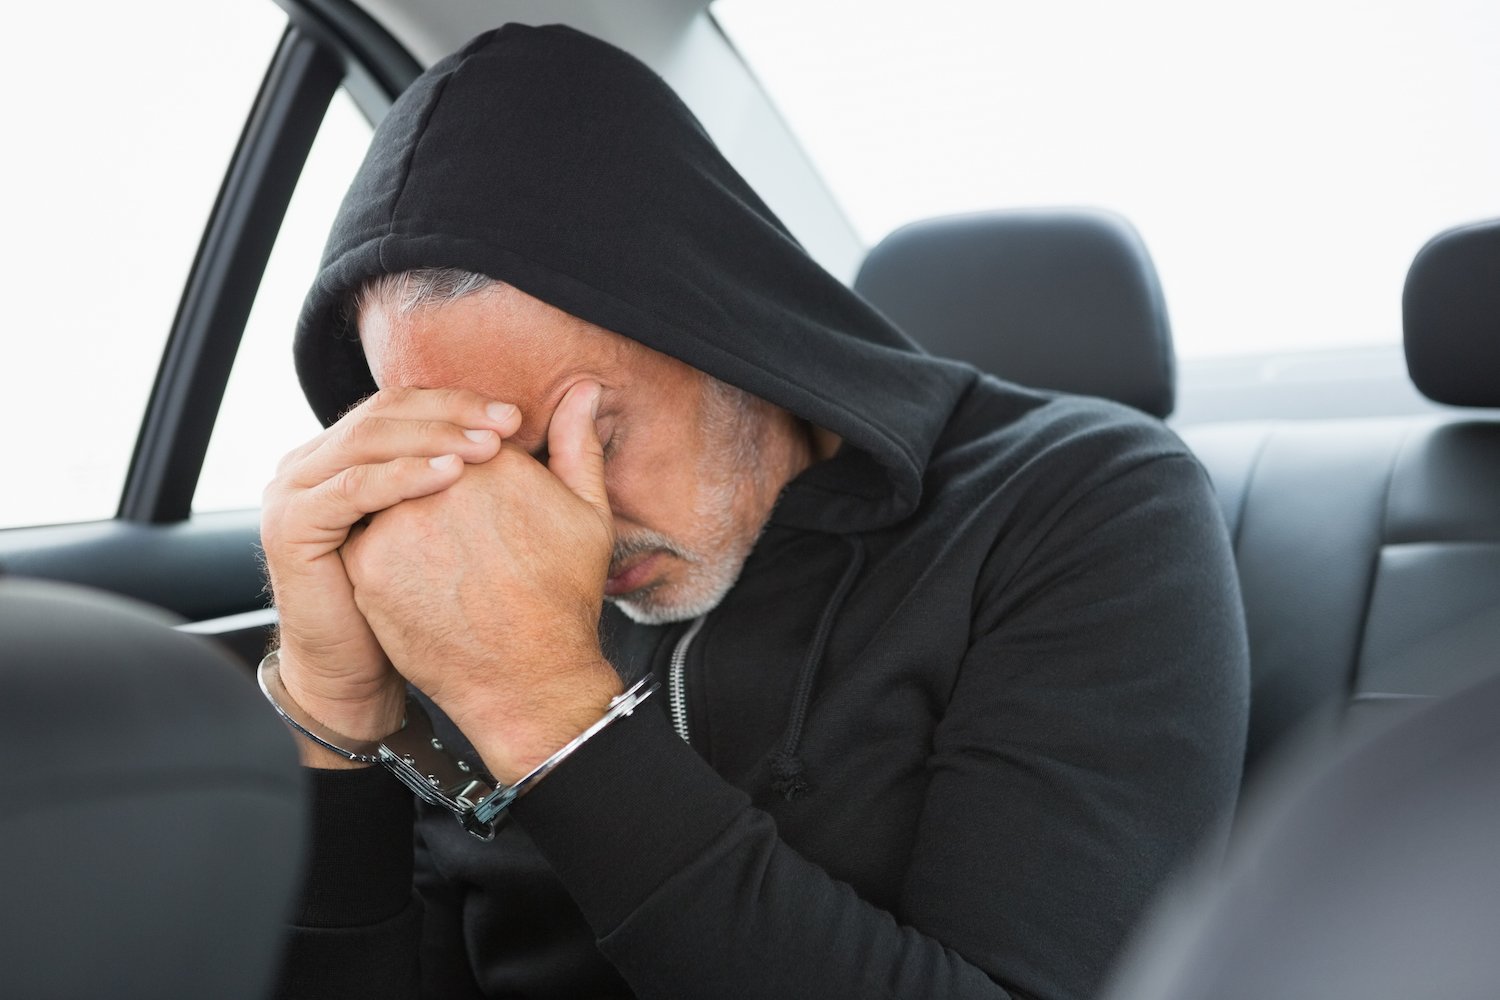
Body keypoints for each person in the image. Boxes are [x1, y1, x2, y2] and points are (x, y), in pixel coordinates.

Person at [263, 23, 1249, 1000]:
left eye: (595, 438)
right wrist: (336, 714)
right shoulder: (466, 562)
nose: (568, 529)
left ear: (722, 318)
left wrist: (552, 717)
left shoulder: (1086, 506)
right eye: (485, 468)